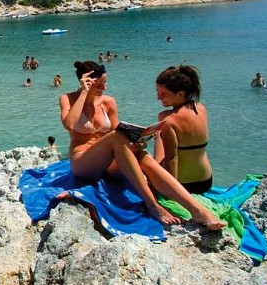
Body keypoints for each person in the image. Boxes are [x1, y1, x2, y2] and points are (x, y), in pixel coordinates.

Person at [59, 60, 224, 229]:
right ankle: (152, 204)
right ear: (86, 83)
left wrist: (135, 143)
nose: (104, 88)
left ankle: (198, 211)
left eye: (105, 83)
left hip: (109, 164)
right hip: (83, 163)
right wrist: (84, 93)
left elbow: (118, 132)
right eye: (100, 85)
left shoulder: (108, 102)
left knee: (142, 155)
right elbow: (69, 124)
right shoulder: (68, 98)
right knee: (116, 138)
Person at [153, 65, 216, 193]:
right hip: (205, 182)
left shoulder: (167, 119)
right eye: (158, 92)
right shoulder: (201, 109)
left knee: (157, 133)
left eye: (163, 94)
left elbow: (172, 159)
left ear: (180, 94)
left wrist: (172, 193)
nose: (159, 97)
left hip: (183, 185)